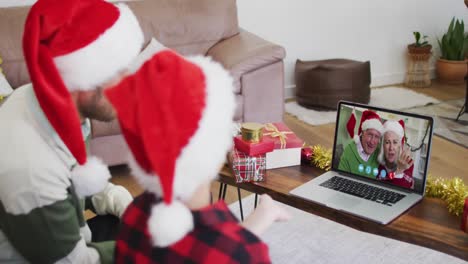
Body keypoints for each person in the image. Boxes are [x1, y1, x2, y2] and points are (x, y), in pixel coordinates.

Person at [105, 48, 291, 263]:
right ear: (217, 149)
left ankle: (265, 213)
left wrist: (260, 219)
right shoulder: (244, 254)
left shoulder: (134, 214)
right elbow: (229, 249)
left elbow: (212, 242)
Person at [0, 0, 144, 263]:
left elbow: (78, 179)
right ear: (85, 78)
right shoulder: (32, 170)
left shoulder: (49, 105)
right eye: (119, 71)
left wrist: (124, 205)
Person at [338, 110, 384, 178]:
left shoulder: (378, 153)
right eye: (370, 135)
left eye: (376, 136)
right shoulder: (349, 150)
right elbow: (340, 178)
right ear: (362, 133)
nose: (372, 141)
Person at [377, 120, 415, 189]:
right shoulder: (378, 164)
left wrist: (399, 170)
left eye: (395, 142)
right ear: (383, 146)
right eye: (387, 142)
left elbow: (402, 190)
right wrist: (398, 171)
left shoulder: (407, 162)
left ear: (399, 146)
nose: (391, 148)